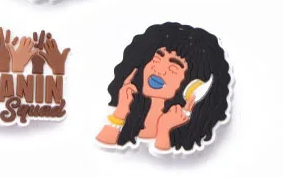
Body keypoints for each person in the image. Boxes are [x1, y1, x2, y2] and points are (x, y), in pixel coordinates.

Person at [96, 23, 231, 155]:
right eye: (156, 60)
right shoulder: (124, 109)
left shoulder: (184, 133)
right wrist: (121, 112)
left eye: (173, 68)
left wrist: (164, 130)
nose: (158, 70)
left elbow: (165, 161)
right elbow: (104, 143)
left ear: (192, 85)